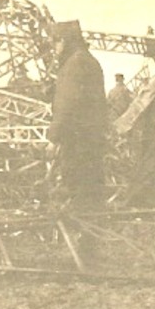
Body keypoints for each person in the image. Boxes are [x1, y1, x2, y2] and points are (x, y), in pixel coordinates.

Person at [46, 21, 107, 209]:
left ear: (63, 41)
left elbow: (67, 104)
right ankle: (93, 229)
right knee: (91, 187)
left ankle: (79, 231)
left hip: (77, 138)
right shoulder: (89, 60)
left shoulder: (73, 63)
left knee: (76, 186)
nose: (54, 49)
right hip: (92, 136)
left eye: (54, 43)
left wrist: (53, 138)